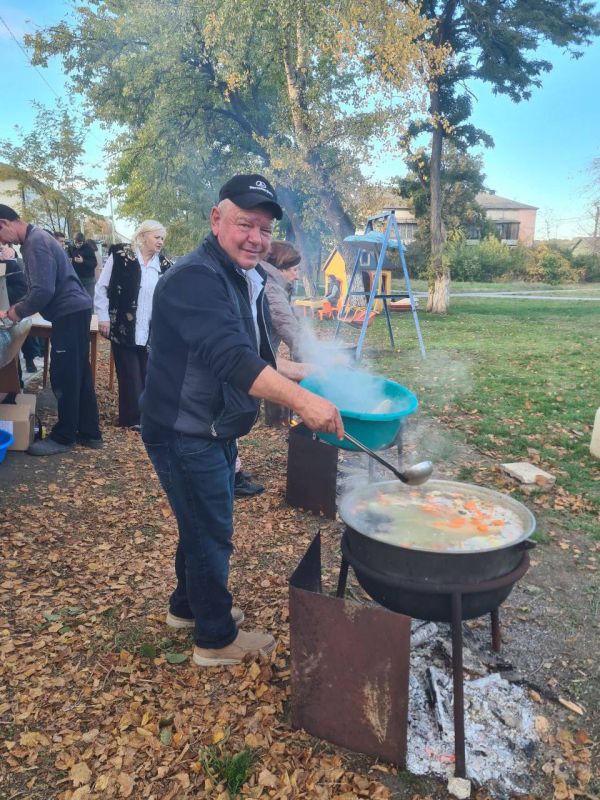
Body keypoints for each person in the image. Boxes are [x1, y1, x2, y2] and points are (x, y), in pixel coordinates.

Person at [140, 174, 343, 667]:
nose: (256, 237)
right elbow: (232, 360)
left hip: (210, 426)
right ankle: (215, 640)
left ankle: (187, 607)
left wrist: (301, 371)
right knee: (211, 531)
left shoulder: (235, 276)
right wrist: (301, 402)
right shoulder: (195, 278)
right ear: (217, 220)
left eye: (265, 229)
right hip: (185, 431)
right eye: (245, 224)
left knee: (197, 522)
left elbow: (250, 355)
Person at [0, 205, 102, 455]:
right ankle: (90, 433)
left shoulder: (35, 242)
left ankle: (64, 437)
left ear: (4, 223)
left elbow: (43, 291)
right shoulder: (37, 239)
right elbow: (39, 287)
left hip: (68, 312)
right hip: (74, 310)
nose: (2, 241)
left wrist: (13, 313)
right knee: (79, 372)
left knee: (64, 374)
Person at [95, 221, 171, 430]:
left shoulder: (164, 265)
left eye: (162, 238)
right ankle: (131, 419)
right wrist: (103, 317)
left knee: (148, 372)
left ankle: (148, 416)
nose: (160, 242)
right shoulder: (121, 256)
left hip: (150, 328)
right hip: (123, 326)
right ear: (143, 236)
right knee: (129, 374)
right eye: (157, 237)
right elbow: (102, 287)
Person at [261, 240, 303, 426]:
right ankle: (278, 420)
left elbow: (290, 318)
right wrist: (319, 358)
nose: (297, 276)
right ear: (281, 268)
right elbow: (287, 326)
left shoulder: (270, 281)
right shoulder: (271, 287)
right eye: (294, 270)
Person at [70, 232, 98, 300]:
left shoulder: (89, 249)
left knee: (89, 299)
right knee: (79, 299)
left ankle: (90, 310)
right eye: (76, 242)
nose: (77, 245)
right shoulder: (72, 248)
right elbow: (71, 258)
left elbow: (94, 263)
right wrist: (71, 261)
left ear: (83, 242)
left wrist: (83, 261)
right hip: (77, 278)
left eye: (80, 243)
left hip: (88, 279)